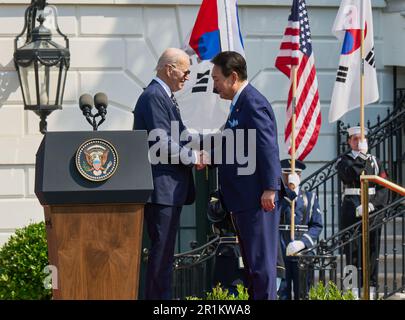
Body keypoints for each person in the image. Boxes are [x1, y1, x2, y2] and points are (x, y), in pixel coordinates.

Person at [133, 48, 206, 299]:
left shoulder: (164, 96)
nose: (187, 77)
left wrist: (214, 142)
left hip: (169, 189)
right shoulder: (154, 96)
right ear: (169, 69)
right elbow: (160, 143)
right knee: (161, 253)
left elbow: (183, 134)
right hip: (161, 188)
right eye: (185, 72)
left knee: (164, 255)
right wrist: (194, 157)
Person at [210, 51, 283, 300]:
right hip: (243, 199)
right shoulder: (239, 103)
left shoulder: (252, 102)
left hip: (257, 199)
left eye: (216, 79)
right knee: (252, 267)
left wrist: (271, 187)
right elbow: (236, 145)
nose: (214, 85)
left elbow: (267, 145)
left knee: (261, 267)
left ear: (232, 77)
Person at [336, 126, 389, 297]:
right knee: (351, 249)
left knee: (372, 249)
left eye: (362, 139)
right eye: (355, 139)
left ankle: (371, 288)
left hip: (371, 209)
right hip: (352, 207)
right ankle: (351, 289)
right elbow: (352, 174)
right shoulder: (344, 160)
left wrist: (372, 204)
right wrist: (362, 157)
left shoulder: (375, 161)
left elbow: (384, 187)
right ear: (348, 142)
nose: (359, 142)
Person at [278, 159, 323, 300]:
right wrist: (288, 194)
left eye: (295, 174)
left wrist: (303, 243)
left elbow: (317, 225)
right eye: (287, 175)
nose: (290, 177)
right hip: (281, 248)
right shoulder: (277, 197)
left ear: (300, 176)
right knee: (281, 293)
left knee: (303, 293)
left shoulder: (309, 197)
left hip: (302, 251)